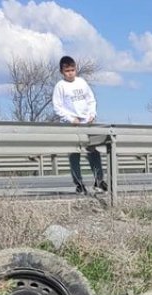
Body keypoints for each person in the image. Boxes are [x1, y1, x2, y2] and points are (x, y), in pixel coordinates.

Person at [52, 55, 106, 194]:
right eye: (67, 71)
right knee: (74, 154)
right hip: (72, 124)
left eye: (72, 70)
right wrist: (70, 119)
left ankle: (99, 181)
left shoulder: (81, 82)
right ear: (62, 71)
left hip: (86, 123)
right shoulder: (60, 86)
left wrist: (92, 114)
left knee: (93, 152)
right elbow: (57, 107)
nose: (70, 73)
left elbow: (91, 99)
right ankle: (79, 184)